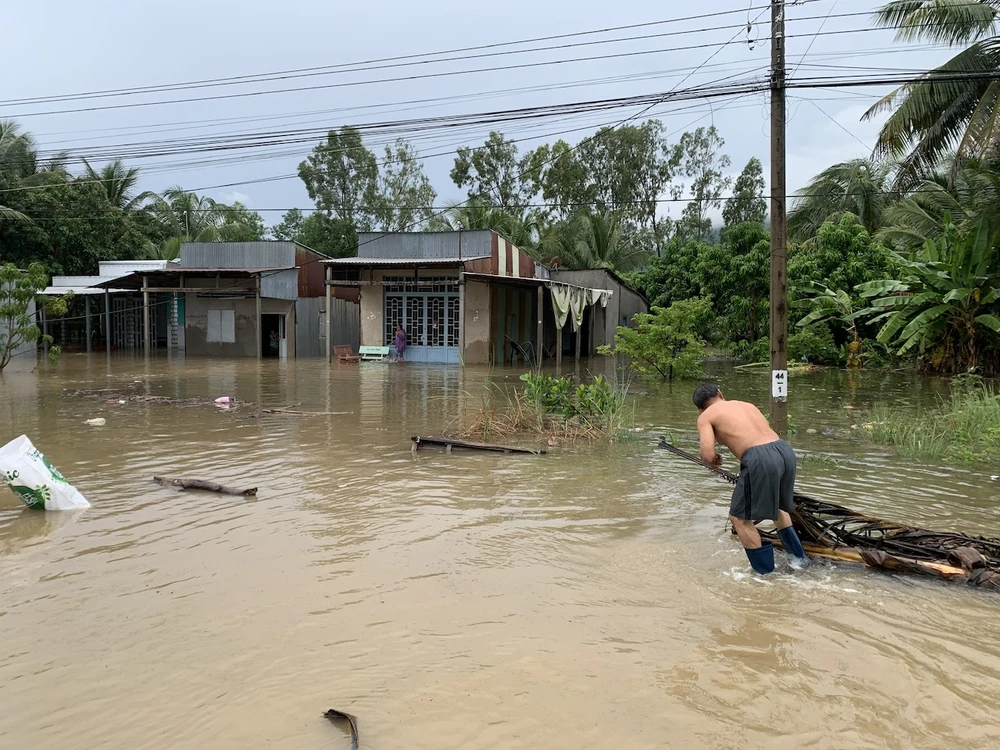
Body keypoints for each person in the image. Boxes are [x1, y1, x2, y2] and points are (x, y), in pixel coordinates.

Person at [693, 383, 808, 574]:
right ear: (720, 393)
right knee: (777, 506)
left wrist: (713, 460)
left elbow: (706, 455)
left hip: (760, 458)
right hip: (784, 451)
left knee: (738, 517)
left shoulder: (706, 416)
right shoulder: (747, 405)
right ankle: (800, 562)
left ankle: (765, 575)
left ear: (700, 408)